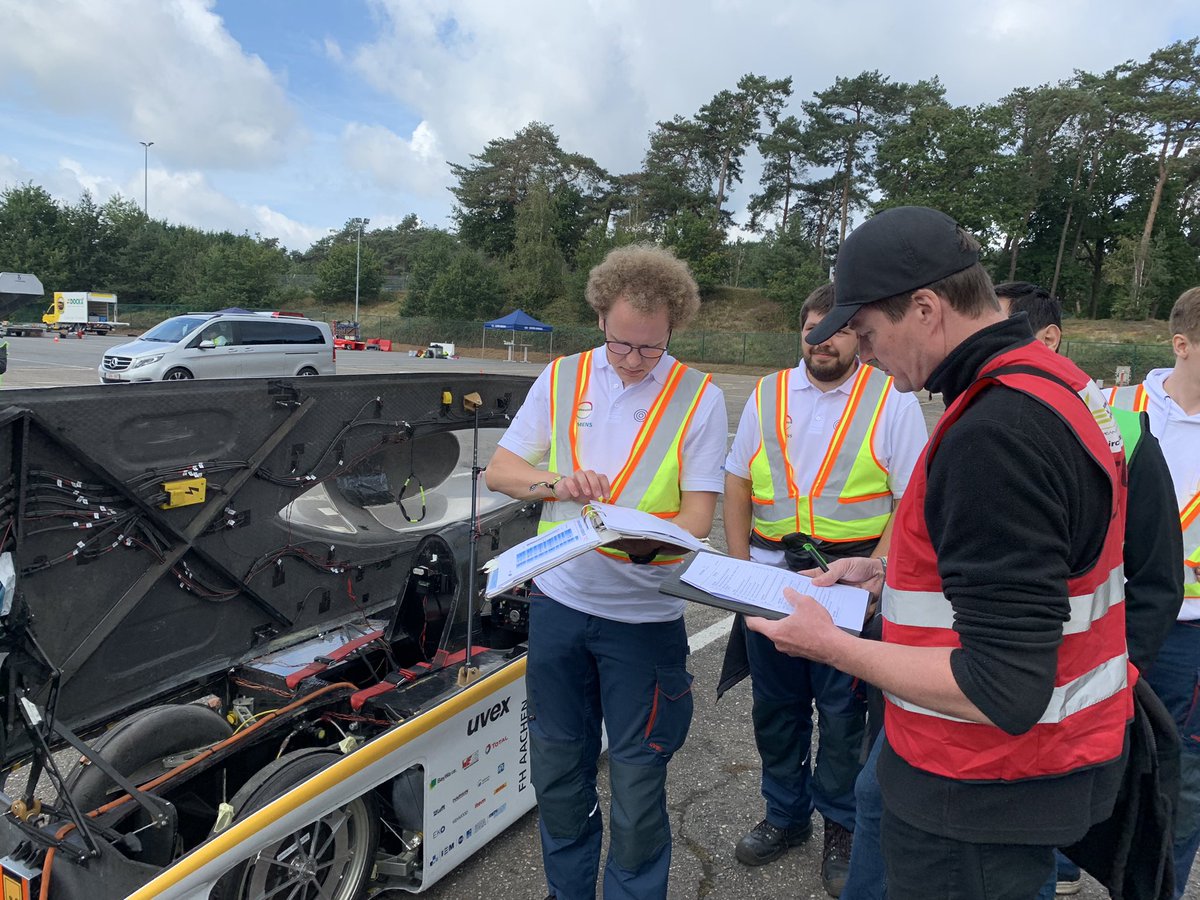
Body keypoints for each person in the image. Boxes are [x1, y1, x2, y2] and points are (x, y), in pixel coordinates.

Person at [747, 206, 1136, 900]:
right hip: (1026, 767)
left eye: (867, 333)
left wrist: (828, 645)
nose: (864, 354)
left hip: (978, 781)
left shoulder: (996, 431)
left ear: (926, 309)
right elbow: (1042, 563)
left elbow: (1004, 687)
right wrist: (885, 572)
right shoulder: (1053, 384)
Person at [483, 245, 727, 900]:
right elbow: (501, 471)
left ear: (672, 325)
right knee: (558, 776)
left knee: (638, 786)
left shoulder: (699, 398)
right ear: (601, 320)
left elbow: (699, 518)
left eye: (649, 348)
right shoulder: (563, 379)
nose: (632, 361)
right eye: (622, 344)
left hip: (644, 621)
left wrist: (652, 541)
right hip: (560, 606)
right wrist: (555, 481)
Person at [721, 283, 926, 897]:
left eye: (838, 330)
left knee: (842, 717)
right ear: (801, 330)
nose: (824, 341)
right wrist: (740, 569)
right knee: (776, 711)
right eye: (814, 328)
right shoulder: (768, 392)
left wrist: (878, 576)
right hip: (772, 580)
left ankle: (841, 826)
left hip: (846, 586)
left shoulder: (889, 396)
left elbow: (909, 499)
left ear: (856, 335)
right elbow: (737, 483)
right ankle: (785, 816)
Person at [1107, 286, 1200, 898]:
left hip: (1190, 635)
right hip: (1110, 618)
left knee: (1181, 778)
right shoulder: (1112, 408)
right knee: (1094, 751)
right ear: (1182, 345)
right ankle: (1066, 862)